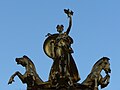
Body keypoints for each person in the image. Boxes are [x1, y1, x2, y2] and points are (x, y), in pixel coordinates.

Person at [48, 9, 80, 85]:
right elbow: (52, 45)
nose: (60, 29)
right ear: (57, 29)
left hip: (65, 50)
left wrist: (70, 17)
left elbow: (70, 26)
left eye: (61, 28)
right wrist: (50, 37)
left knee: (66, 61)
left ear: (62, 29)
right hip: (58, 49)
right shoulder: (56, 38)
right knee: (58, 60)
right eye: (58, 28)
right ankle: (57, 73)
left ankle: (67, 72)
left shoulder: (65, 34)